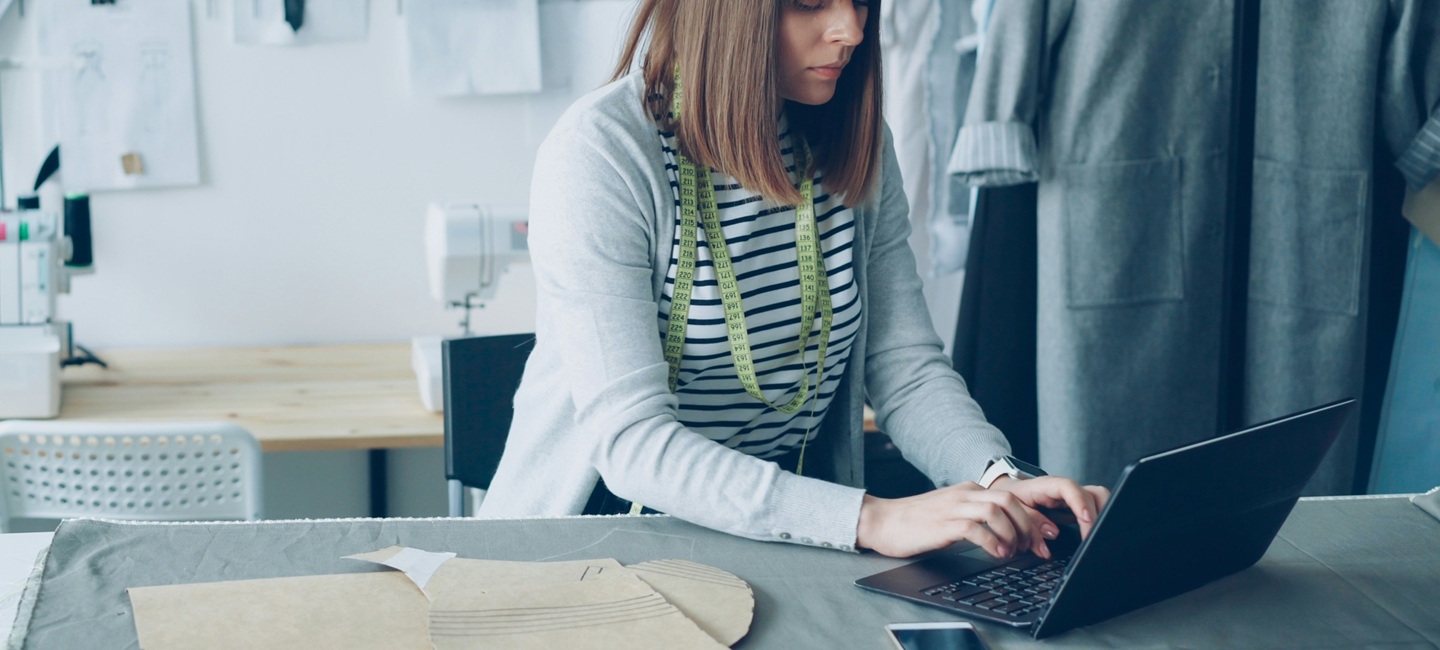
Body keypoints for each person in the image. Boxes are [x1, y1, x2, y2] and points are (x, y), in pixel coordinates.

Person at [478, 0, 1110, 560]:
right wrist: (871, 518)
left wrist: (998, 477)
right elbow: (632, 441)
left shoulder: (856, 142)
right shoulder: (602, 153)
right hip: (599, 540)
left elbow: (905, 368)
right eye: (809, 3)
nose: (851, 29)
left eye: (862, 1)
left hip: (782, 534)